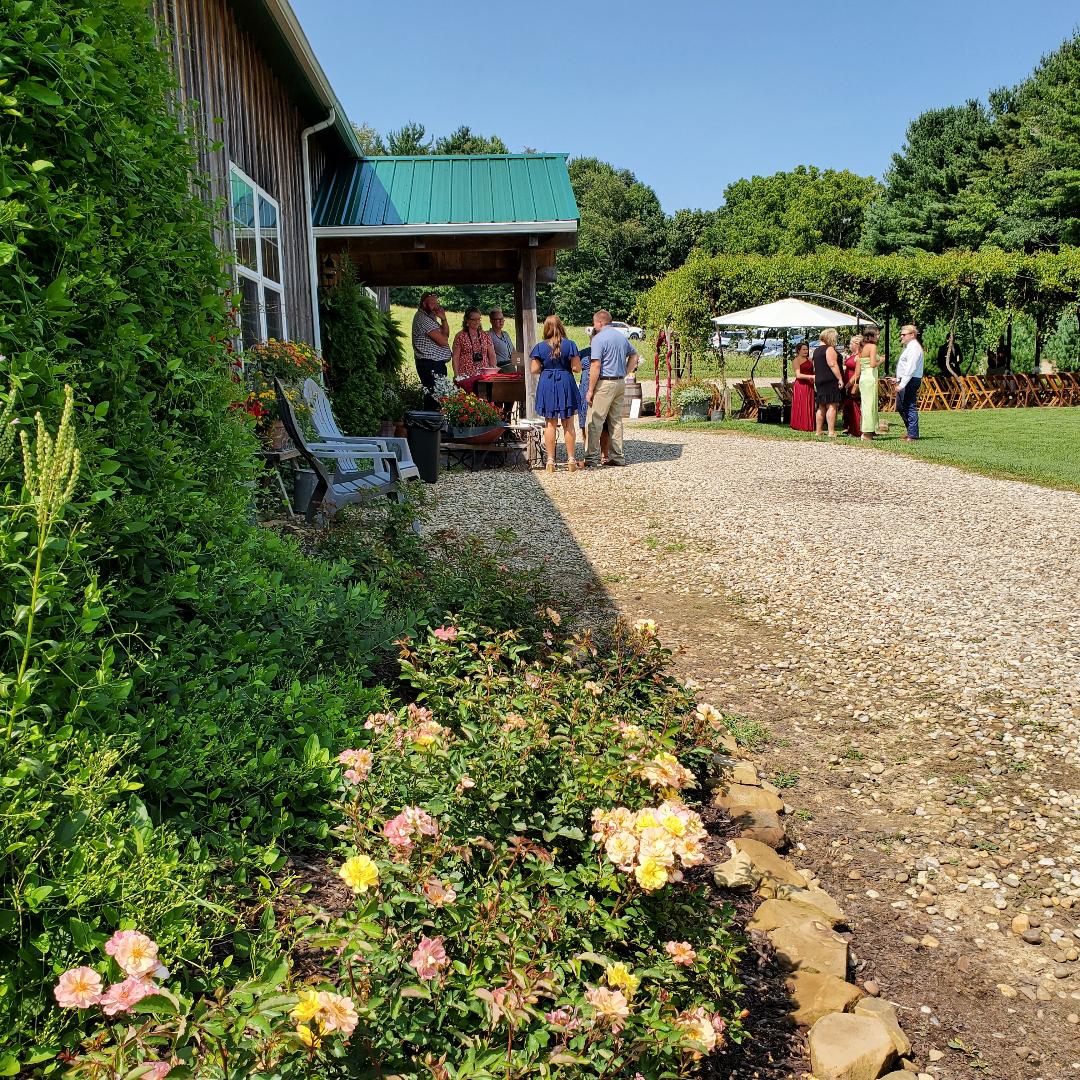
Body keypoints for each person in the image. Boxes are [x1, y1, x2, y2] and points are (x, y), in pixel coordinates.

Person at [583, 310, 638, 467]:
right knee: (616, 421)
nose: (594, 326)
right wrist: (626, 371)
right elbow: (634, 355)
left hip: (605, 383)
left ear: (600, 323)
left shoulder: (598, 339)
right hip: (620, 382)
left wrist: (590, 390)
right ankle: (617, 456)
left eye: (594, 323)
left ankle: (592, 458)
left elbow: (596, 365)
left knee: (595, 421)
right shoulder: (621, 337)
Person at [530, 315, 582, 473]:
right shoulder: (570, 344)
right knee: (568, 423)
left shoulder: (540, 347)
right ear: (561, 327)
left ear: (546, 328)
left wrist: (546, 366)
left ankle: (551, 461)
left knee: (550, 423)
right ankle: (571, 459)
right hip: (565, 381)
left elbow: (534, 369)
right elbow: (577, 368)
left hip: (548, 382)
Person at [411, 292, 452, 399]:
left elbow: (446, 334)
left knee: (438, 397)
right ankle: (430, 415)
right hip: (429, 364)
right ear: (424, 304)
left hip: (434, 364)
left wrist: (443, 319)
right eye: (432, 303)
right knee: (433, 398)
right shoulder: (423, 319)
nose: (436, 306)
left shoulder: (430, 318)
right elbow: (443, 341)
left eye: (436, 303)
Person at [451, 308, 498, 389]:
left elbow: (492, 355)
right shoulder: (460, 336)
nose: (477, 322)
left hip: (483, 375)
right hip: (466, 374)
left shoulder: (485, 335)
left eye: (479, 319)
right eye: (474, 319)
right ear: (467, 321)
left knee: (484, 398)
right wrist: (456, 375)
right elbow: (455, 357)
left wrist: (493, 371)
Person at [812, 328, 844, 437]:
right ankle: (831, 431)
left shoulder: (816, 350)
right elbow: (832, 364)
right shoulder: (829, 349)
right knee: (832, 405)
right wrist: (840, 378)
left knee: (821, 406)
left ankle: (818, 431)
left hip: (819, 380)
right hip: (830, 379)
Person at [895, 323, 924, 441]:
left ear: (912, 335)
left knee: (909, 406)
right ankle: (911, 431)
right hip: (907, 379)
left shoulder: (914, 348)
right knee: (901, 406)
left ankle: (913, 434)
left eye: (903, 334)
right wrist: (898, 379)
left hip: (911, 380)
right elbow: (905, 367)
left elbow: (911, 368)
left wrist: (902, 384)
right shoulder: (909, 347)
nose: (901, 337)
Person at [858, 326, 883, 440]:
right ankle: (867, 432)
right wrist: (881, 360)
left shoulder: (863, 347)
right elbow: (873, 364)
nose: (878, 336)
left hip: (865, 377)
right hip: (869, 377)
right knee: (869, 405)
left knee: (868, 404)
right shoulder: (872, 347)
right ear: (872, 335)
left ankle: (870, 429)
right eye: (877, 334)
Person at [790, 341, 815, 432]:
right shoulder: (796, 360)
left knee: (809, 404)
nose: (806, 351)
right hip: (801, 385)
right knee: (802, 404)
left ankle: (809, 424)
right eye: (803, 349)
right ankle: (800, 424)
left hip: (809, 385)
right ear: (798, 351)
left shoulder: (810, 359)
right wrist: (811, 377)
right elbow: (798, 375)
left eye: (807, 349)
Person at [841, 334, 863, 437]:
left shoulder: (859, 356)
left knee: (854, 405)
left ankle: (856, 429)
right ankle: (849, 427)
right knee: (848, 407)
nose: (849, 345)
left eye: (851, 343)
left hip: (852, 382)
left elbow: (857, 373)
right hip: (847, 380)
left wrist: (848, 384)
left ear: (857, 344)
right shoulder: (852, 355)